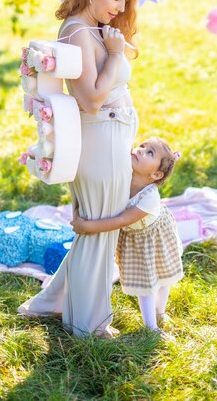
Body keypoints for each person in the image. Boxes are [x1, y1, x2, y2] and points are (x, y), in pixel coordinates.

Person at [18, 0, 140, 338]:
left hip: (112, 137)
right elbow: (89, 99)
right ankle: (88, 324)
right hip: (98, 139)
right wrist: (116, 55)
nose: (121, 8)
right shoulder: (78, 32)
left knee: (101, 228)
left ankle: (51, 302)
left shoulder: (92, 30)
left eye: (125, 0)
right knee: (98, 230)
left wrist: (118, 49)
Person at [71, 137, 183, 335]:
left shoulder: (149, 198)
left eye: (150, 153)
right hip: (134, 240)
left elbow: (121, 220)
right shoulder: (121, 175)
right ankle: (152, 325)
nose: (140, 150)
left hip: (155, 235)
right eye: (142, 146)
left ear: (156, 174)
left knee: (164, 277)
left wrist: (87, 226)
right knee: (145, 284)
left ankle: (157, 318)